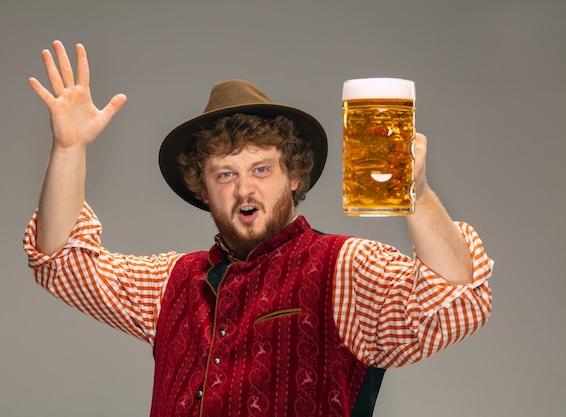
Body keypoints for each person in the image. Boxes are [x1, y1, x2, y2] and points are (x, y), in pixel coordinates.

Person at [24, 41, 493, 417]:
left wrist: (417, 194)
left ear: (293, 175)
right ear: (203, 189)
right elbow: (61, 260)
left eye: (262, 170)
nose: (244, 189)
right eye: (225, 174)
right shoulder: (173, 283)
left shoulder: (344, 269)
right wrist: (68, 150)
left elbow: (457, 295)